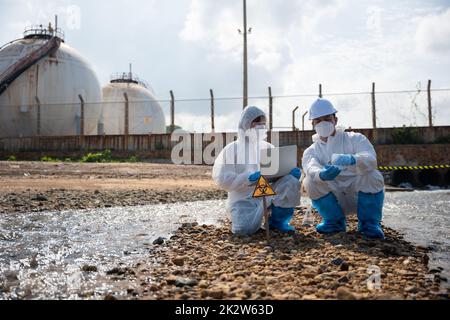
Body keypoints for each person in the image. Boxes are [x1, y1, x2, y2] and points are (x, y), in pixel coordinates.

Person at [302, 98, 385, 239]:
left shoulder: (355, 138)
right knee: (310, 181)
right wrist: (321, 174)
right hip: (334, 198)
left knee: (373, 175)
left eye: (327, 118)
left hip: (359, 197)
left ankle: (369, 224)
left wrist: (352, 159)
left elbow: (370, 159)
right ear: (313, 124)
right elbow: (310, 166)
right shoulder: (311, 150)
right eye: (318, 120)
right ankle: (334, 222)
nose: (323, 123)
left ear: (335, 120)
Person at [212, 106, 302, 235]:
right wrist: (246, 178)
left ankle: (277, 222)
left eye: (263, 124)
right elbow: (222, 179)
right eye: (257, 123)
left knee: (289, 181)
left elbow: (278, 173)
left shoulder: (268, 147)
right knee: (243, 230)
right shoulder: (232, 149)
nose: (261, 127)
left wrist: (289, 173)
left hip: (266, 193)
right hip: (243, 199)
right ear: (246, 124)